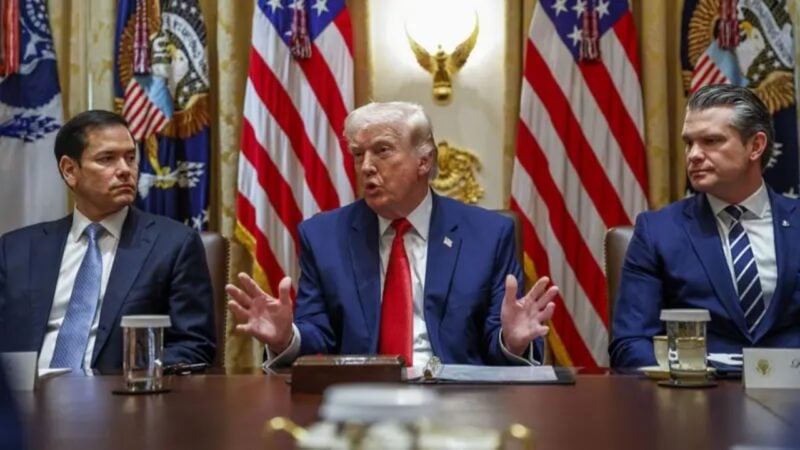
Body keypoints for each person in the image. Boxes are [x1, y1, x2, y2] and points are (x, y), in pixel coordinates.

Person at [227, 101, 558, 368]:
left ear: (424, 161)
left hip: (459, 401)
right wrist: (286, 338)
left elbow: (498, 339)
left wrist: (512, 341)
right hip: (362, 402)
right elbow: (318, 335)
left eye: (382, 150)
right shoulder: (323, 236)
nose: (366, 166)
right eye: (359, 154)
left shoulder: (488, 235)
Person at [0, 110, 216, 371]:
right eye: (107, 159)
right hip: (27, 393)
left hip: (121, 391)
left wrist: (123, 376)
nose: (125, 170)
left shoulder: (173, 245)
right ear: (70, 170)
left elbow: (193, 346)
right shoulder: (16, 249)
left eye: (131, 158)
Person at [610, 84, 800, 367]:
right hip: (697, 390)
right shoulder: (657, 232)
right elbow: (630, 343)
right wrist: (688, 379)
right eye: (689, 143)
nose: (693, 155)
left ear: (756, 146)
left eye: (711, 141)